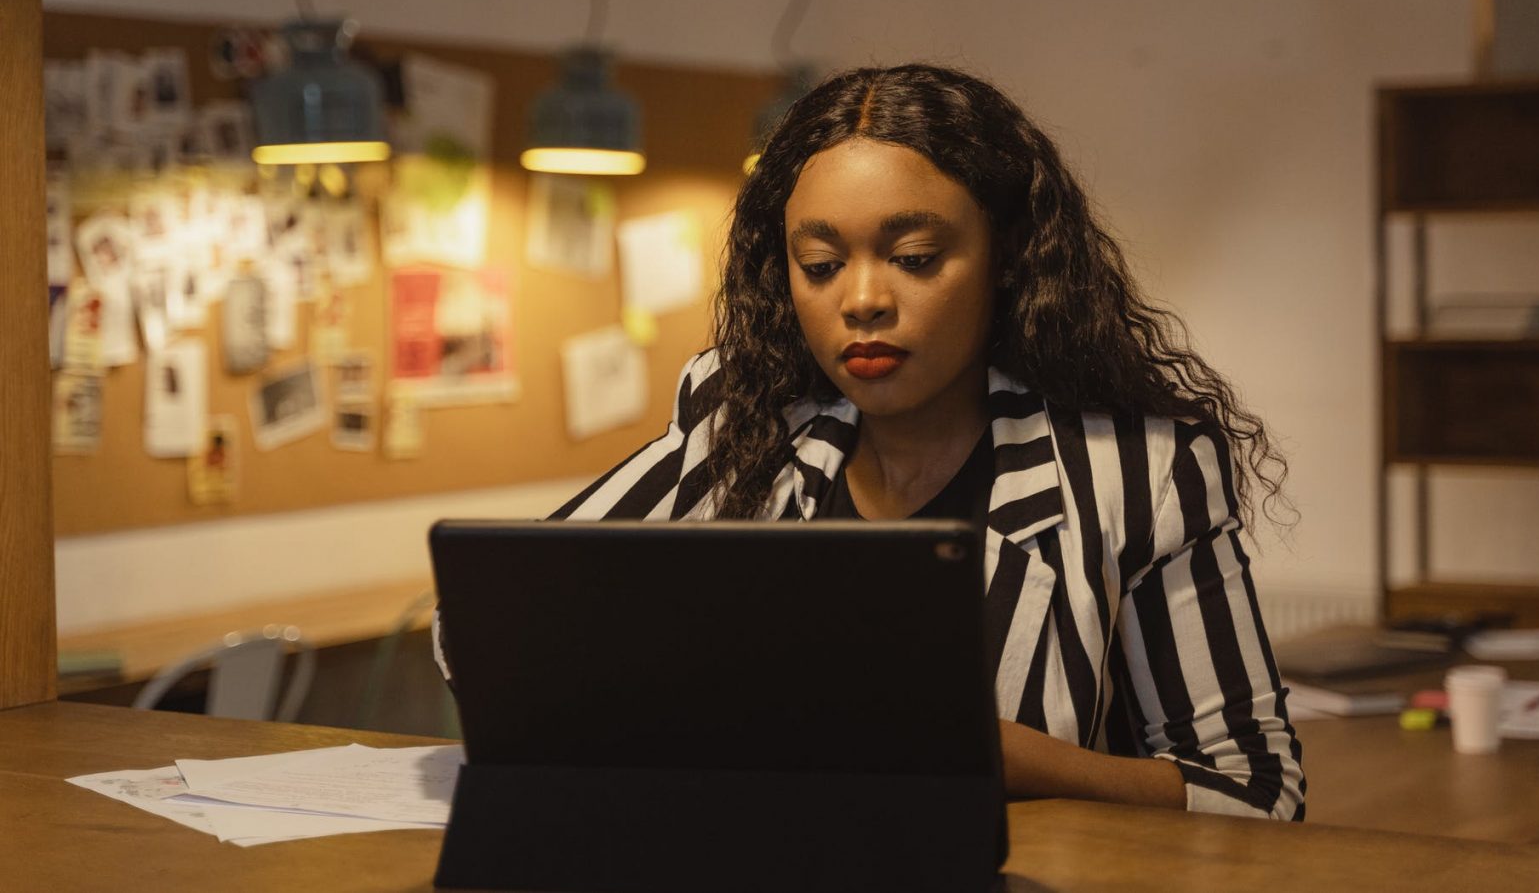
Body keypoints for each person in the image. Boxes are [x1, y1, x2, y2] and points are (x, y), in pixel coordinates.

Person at [434, 63, 1304, 821]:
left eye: (915, 256)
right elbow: (479, 629)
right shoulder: (743, 419)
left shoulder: (1135, 470)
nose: (862, 301)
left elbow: (1258, 793)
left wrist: (1006, 759)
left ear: (1007, 258)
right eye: (820, 265)